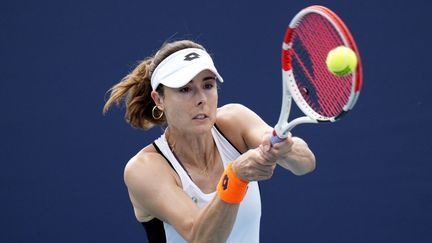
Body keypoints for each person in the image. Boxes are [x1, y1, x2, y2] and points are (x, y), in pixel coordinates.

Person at [103, 40, 316, 243]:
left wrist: (286, 148)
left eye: (208, 85)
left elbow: (305, 164)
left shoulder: (234, 121)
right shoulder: (145, 169)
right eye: (185, 89)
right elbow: (202, 238)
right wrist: (235, 178)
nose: (201, 99)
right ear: (159, 100)